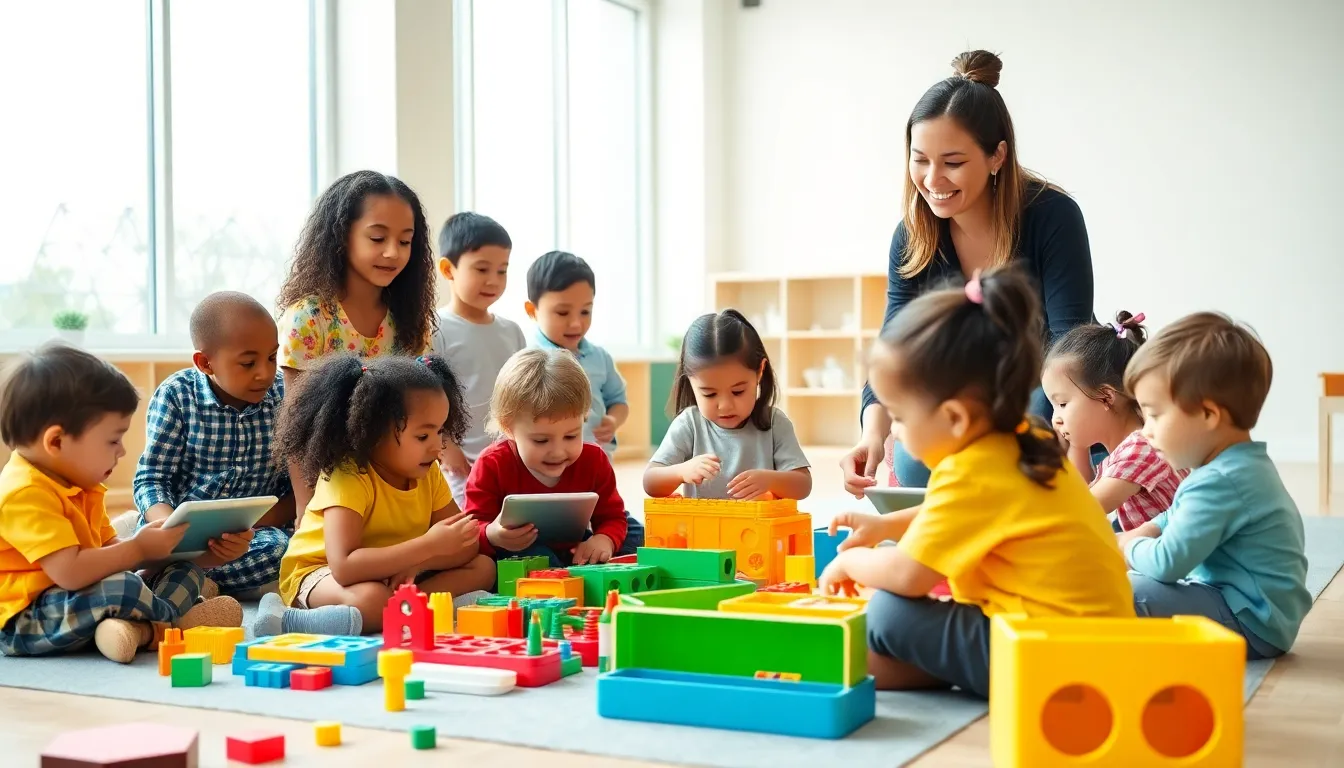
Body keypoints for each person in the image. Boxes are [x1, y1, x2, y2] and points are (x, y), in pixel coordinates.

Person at [820, 268, 1133, 698]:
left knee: (890, 611)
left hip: (1046, 659)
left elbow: (907, 575)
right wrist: (886, 526)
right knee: (887, 647)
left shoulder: (970, 471)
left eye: (899, 417)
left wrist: (847, 564)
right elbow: (957, 510)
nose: (895, 432)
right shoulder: (1026, 440)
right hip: (1090, 649)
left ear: (954, 418)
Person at [842, 50, 1096, 494]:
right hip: (967, 401)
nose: (933, 179)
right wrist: (871, 434)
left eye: (953, 162)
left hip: (1047, 390)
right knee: (915, 456)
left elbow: (1067, 345)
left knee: (1027, 424)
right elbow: (896, 346)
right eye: (920, 160)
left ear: (997, 156)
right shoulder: (913, 236)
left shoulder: (1053, 216)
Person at [0, 344, 242, 663]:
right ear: (56, 442)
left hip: (80, 600)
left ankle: (136, 629)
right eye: (113, 440)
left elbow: (108, 550)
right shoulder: (24, 492)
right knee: (123, 587)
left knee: (182, 569)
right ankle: (172, 625)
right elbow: (70, 572)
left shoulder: (83, 486)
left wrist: (158, 553)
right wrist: (138, 549)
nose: (122, 452)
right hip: (27, 621)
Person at [1121, 312, 1310, 659]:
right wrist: (1138, 532)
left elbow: (1166, 563)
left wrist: (1123, 551)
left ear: (1208, 415)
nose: (1144, 431)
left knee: (1126, 590)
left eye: (1154, 415)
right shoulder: (1233, 465)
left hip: (1250, 623)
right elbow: (1174, 515)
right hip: (1256, 612)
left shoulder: (1221, 480)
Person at [269, 355, 495, 636]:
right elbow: (345, 567)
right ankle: (288, 621)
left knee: (484, 567)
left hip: (393, 570)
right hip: (320, 572)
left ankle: (406, 609)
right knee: (372, 601)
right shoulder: (349, 475)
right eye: (423, 437)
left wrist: (420, 562)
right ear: (373, 434)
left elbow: (466, 543)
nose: (437, 445)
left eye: (440, 431)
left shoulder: (428, 473)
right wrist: (427, 547)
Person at [276, 170, 437, 520]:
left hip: (398, 483)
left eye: (406, 241)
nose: (393, 253)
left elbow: (422, 413)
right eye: (377, 238)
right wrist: (306, 506)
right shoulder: (309, 318)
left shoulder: (409, 321)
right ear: (340, 236)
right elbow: (296, 426)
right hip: (333, 488)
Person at [133, 292, 294, 597]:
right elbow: (151, 478)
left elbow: (296, 490)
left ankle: (180, 578)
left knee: (285, 550)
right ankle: (180, 573)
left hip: (252, 537)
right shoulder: (176, 396)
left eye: (272, 357)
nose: (266, 373)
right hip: (178, 533)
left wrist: (247, 531)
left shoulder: (283, 400)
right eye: (248, 363)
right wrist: (168, 530)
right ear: (205, 362)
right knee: (140, 541)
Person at [464, 348, 630, 567]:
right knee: (538, 557)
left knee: (635, 533)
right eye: (541, 441)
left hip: (575, 547)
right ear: (508, 427)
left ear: (584, 418)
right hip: (515, 553)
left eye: (571, 436)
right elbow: (471, 530)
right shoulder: (492, 464)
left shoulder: (594, 460)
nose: (558, 452)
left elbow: (612, 516)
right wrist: (492, 534)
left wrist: (604, 539)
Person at [525, 250, 644, 548]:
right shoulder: (529, 359)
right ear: (532, 310)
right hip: (549, 477)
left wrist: (613, 420)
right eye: (563, 313)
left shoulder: (599, 357)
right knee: (549, 538)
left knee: (636, 536)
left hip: (595, 472)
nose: (576, 324)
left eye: (585, 311)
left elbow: (619, 400)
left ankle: (593, 547)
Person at [644, 309, 811, 500]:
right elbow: (650, 481)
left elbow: (803, 485)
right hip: (703, 528)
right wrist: (681, 471)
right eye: (710, 394)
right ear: (690, 380)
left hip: (759, 528)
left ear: (760, 371)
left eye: (738, 391)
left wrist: (770, 480)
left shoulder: (775, 423)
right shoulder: (690, 424)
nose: (725, 406)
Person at [1042, 311, 1185, 532]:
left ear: (1106, 397)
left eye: (1062, 404)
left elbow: (1081, 511)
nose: (1055, 419)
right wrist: (1078, 444)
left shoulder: (1141, 448)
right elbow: (1081, 490)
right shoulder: (1126, 449)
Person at [430, 212, 527, 507]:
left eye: (502, 270)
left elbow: (525, 393)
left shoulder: (511, 331)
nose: (493, 281)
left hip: (511, 456)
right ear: (448, 269)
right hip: (461, 462)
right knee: (470, 525)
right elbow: (428, 393)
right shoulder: (436, 328)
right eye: (482, 269)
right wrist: (445, 444)